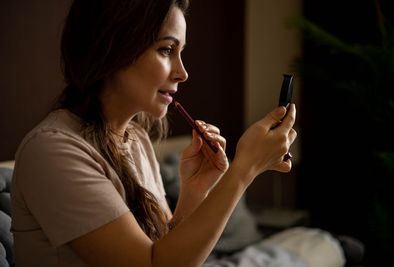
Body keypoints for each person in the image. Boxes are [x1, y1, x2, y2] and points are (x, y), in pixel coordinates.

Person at [10, 0, 348, 266]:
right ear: (113, 47)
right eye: (166, 50)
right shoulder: (53, 152)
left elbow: (166, 249)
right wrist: (243, 170)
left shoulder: (136, 140)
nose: (183, 73)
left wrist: (193, 192)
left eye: (180, 52)